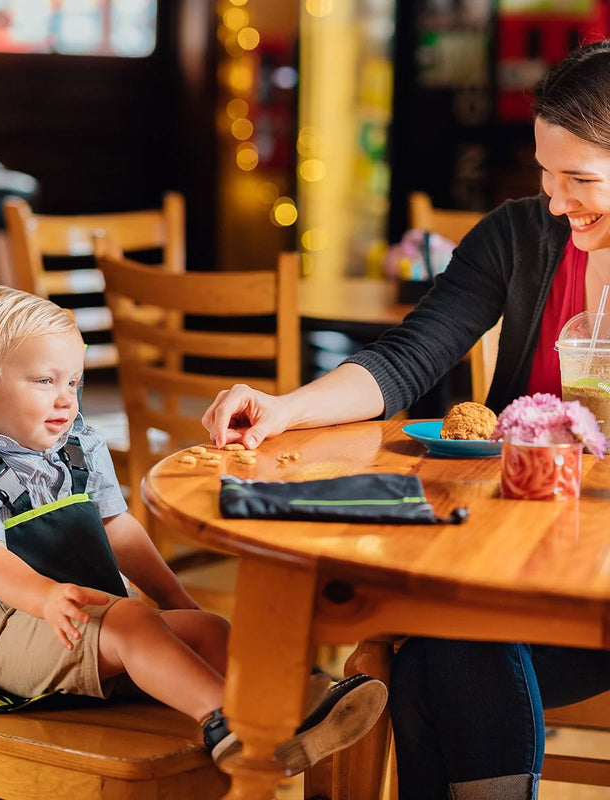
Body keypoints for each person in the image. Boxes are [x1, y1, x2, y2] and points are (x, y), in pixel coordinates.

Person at [202, 39, 610, 799]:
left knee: (439, 641)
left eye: (579, 179)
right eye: (547, 175)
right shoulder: (521, 237)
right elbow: (406, 359)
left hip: (595, 587)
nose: (556, 201)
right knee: (441, 638)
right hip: (511, 558)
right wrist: (285, 409)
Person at [0, 284, 387, 773]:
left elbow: (119, 530)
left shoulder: (78, 444)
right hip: (12, 632)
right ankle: (229, 725)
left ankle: (297, 707)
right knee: (134, 619)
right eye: (44, 382)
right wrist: (44, 597)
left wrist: (177, 601)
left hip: (97, 623)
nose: (67, 401)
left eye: (74, 383)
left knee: (207, 626)